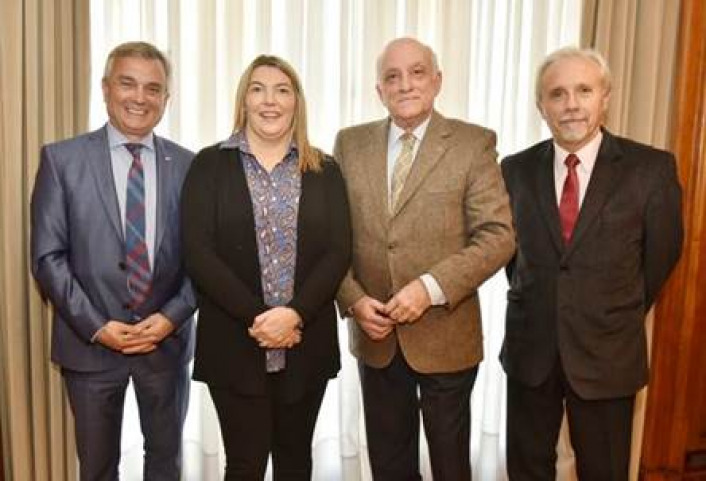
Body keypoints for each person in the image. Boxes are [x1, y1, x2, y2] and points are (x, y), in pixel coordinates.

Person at [334, 37, 515, 480]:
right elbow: (330, 238)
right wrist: (354, 301)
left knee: (451, 467)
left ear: (437, 80)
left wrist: (429, 289)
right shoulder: (349, 144)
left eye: (417, 72)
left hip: (446, 337)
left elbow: (497, 236)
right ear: (379, 90)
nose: (405, 84)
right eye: (392, 77)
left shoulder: (473, 143)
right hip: (376, 336)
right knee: (389, 466)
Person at [500, 47, 684, 480]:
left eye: (584, 90)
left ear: (606, 97)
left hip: (608, 354)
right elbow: (510, 256)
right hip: (531, 351)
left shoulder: (651, 169)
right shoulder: (514, 169)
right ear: (540, 106)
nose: (571, 105)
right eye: (557, 94)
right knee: (526, 470)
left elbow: (661, 256)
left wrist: (612, 308)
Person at [181, 54, 351, 480]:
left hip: (305, 339)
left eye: (282, 90)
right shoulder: (208, 165)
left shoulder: (325, 170)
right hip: (234, 341)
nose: (269, 101)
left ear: (297, 102)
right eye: (257, 89)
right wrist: (260, 319)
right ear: (244, 101)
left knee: (295, 463)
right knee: (244, 465)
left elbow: (338, 250)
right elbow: (199, 252)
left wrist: (293, 315)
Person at [30, 41, 196, 480]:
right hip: (89, 347)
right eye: (127, 84)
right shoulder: (61, 160)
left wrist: (170, 318)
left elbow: (204, 260)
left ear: (166, 99)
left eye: (153, 88)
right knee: (97, 466)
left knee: (166, 464)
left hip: (166, 346)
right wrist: (98, 327)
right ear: (105, 89)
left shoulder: (190, 166)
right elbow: (48, 257)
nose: (139, 97)